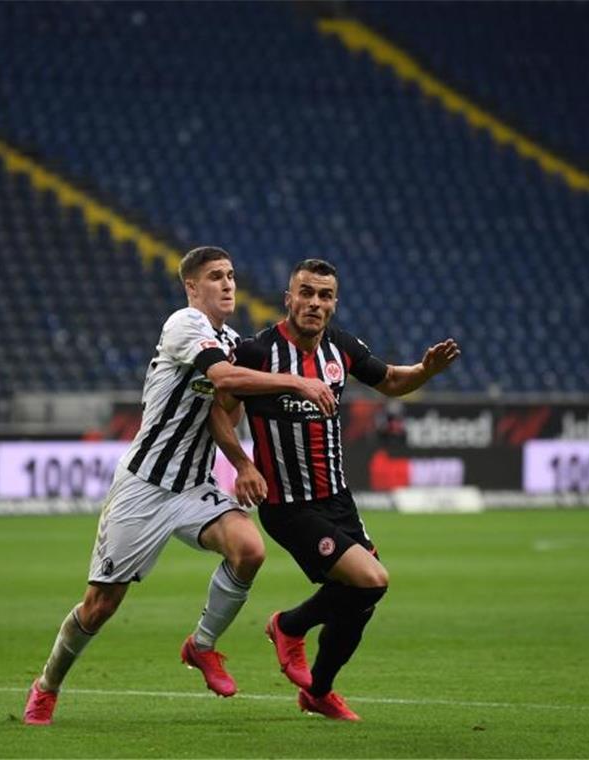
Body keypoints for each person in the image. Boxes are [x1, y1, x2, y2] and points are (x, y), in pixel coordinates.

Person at [23, 246, 337, 725]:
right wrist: (295, 383)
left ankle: (202, 646)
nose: (228, 284)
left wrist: (242, 461)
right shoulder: (183, 325)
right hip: (144, 486)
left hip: (194, 485)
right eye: (215, 277)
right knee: (100, 605)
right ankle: (47, 686)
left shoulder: (232, 339)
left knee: (250, 550)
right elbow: (222, 376)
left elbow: (222, 411)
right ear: (192, 287)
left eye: (231, 275)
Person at [208, 258, 460, 720]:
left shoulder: (341, 349)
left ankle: (318, 692)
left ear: (334, 304)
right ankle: (288, 626)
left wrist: (425, 370)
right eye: (306, 293)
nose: (314, 303)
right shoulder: (257, 352)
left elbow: (391, 382)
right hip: (288, 505)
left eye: (324, 296)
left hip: (338, 501)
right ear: (289, 298)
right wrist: (243, 464)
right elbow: (219, 412)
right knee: (372, 579)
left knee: (361, 603)